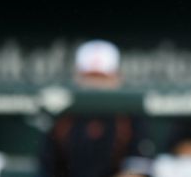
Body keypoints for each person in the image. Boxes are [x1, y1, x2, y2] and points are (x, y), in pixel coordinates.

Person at [39, 39, 152, 177]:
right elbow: (48, 167)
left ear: (116, 78)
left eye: (102, 77)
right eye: (90, 77)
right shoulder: (62, 115)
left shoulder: (130, 114)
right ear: (77, 78)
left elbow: (138, 168)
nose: (95, 84)